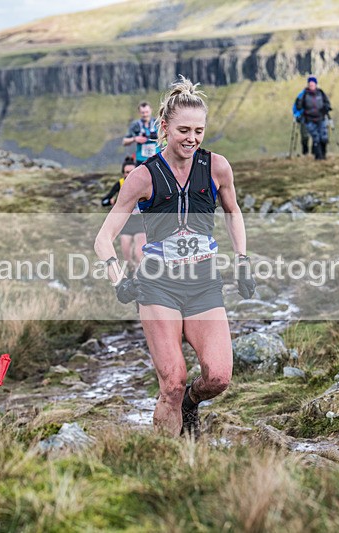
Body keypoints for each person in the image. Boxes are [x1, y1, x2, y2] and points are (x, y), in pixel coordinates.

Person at [95, 76, 256, 438]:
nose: (192, 138)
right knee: (171, 382)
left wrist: (242, 260)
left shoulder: (217, 168)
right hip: (158, 286)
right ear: (164, 127)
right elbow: (103, 238)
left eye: (199, 130)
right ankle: (167, 461)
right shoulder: (142, 176)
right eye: (183, 129)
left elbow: (233, 213)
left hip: (203, 285)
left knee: (217, 377)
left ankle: (191, 403)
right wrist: (118, 278)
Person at [101, 156, 146, 272]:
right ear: (123, 173)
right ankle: (131, 277)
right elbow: (104, 201)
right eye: (127, 172)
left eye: (132, 171)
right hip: (125, 224)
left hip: (140, 223)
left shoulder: (144, 184)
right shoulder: (120, 184)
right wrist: (113, 202)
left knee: (138, 254)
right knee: (127, 258)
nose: (129, 174)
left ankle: (140, 280)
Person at [295, 76, 332, 160]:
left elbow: (327, 103)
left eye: (313, 83)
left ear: (316, 84)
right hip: (309, 119)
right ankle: (318, 157)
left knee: (324, 137)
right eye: (310, 84)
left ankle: (323, 154)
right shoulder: (304, 94)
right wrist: (298, 107)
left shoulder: (321, 93)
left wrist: (326, 108)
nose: (311, 85)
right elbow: (298, 106)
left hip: (321, 118)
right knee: (316, 138)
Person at [123, 101, 161, 165]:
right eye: (143, 113)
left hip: (156, 157)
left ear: (151, 110)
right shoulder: (135, 125)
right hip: (141, 159)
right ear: (139, 113)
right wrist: (135, 139)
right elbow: (124, 142)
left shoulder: (157, 123)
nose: (145, 114)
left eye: (147, 112)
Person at [292, 91, 310, 156]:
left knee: (317, 136)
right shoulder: (301, 95)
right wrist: (297, 115)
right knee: (305, 136)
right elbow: (296, 107)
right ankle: (305, 152)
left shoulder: (320, 94)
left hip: (317, 117)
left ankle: (317, 153)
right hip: (304, 117)